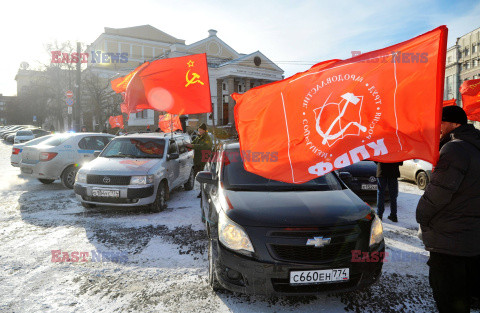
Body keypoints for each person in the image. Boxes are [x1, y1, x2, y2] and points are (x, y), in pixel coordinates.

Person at [416, 105, 480, 313]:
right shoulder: (474, 145)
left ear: (454, 124)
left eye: (441, 122)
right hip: (472, 239)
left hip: (450, 242)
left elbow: (438, 195)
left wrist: (421, 216)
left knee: (450, 300)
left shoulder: (455, 148)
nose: (438, 127)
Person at [186, 123, 213, 197]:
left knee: (204, 177)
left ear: (204, 130)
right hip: (197, 160)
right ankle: (202, 191)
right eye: (199, 129)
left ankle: (204, 192)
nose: (199, 131)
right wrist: (187, 145)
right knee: (198, 177)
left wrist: (193, 146)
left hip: (204, 160)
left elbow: (206, 146)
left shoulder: (207, 138)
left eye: (201, 130)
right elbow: (192, 144)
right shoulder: (198, 137)